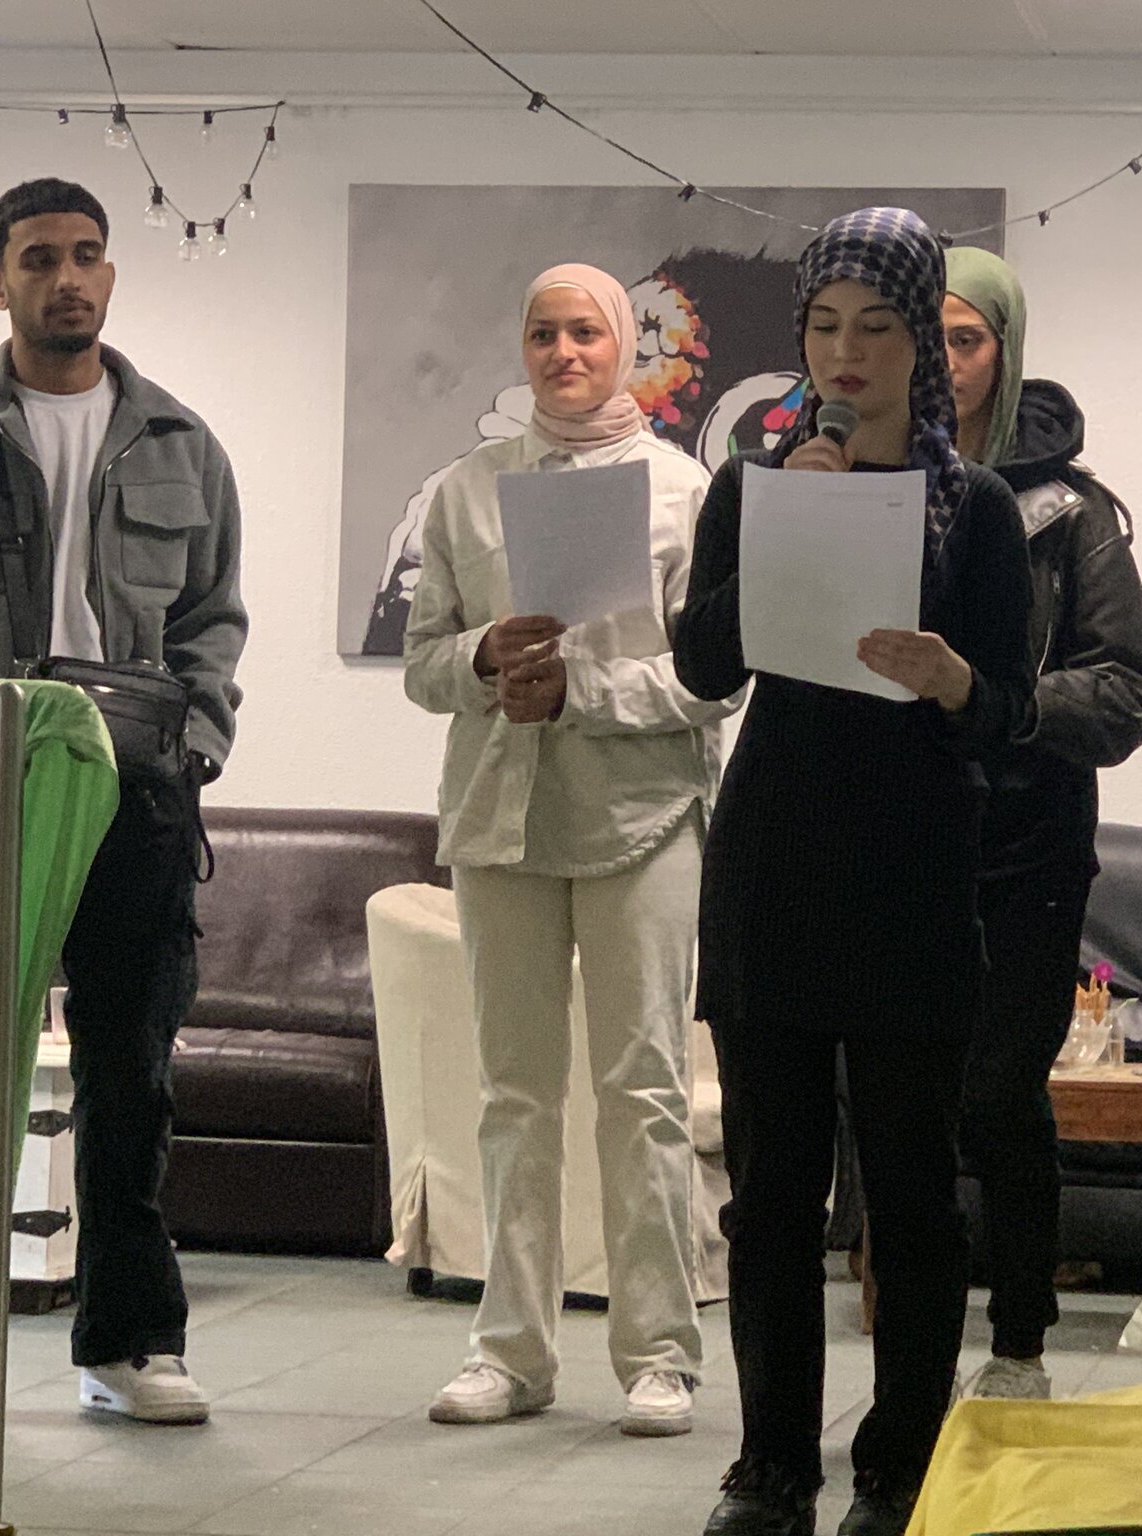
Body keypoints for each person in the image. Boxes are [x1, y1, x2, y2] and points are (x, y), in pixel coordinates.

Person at [0, 178, 247, 1424]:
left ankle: (128, 1345)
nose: (67, 277)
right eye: (38, 259)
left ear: (110, 274)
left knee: (131, 1077)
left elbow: (213, 621)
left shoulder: (181, 442)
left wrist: (194, 746)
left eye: (86, 255)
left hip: (136, 795)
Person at [674, 208, 1035, 1536]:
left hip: (911, 875)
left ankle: (899, 1465)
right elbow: (702, 664)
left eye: (876, 327)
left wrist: (955, 681)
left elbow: (1014, 711)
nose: (846, 353)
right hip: (773, 864)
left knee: (911, 1196)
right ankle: (771, 1465)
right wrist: (791, 523)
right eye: (824, 327)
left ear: (919, 342)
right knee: (771, 1198)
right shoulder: (750, 486)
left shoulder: (976, 506)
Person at [404, 263, 733, 1438]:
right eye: (543, 333)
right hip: (499, 818)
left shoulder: (684, 490)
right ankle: (509, 1351)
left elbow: (711, 679)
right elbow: (424, 662)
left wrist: (583, 690)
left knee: (642, 1092)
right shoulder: (467, 490)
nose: (562, 353)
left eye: (584, 332)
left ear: (624, 345)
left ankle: (658, 1356)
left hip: (641, 820)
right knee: (511, 1097)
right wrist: (486, 658)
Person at [940, 247, 1142, 1400]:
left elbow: (1131, 688)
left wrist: (1002, 706)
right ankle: (915, 1353)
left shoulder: (1068, 511)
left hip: (1026, 847)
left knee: (997, 1097)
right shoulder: (860, 484)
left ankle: (1019, 1342)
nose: (941, 362)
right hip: (891, 842)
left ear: (1005, 350)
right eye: (923, 336)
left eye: (965, 339)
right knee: (903, 1109)